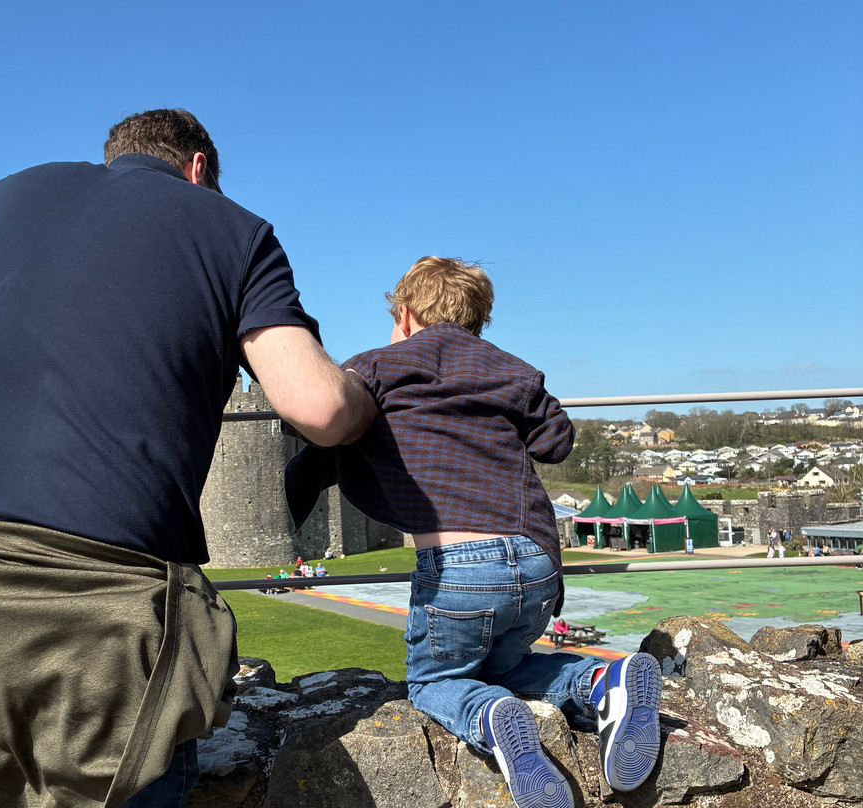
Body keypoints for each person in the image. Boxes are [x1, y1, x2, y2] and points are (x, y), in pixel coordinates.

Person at [0, 108, 377, 808]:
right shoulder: (233, 227)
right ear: (198, 167)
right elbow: (319, 408)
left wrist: (22, 401)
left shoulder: (9, 193)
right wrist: (365, 398)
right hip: (105, 602)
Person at [284, 257, 663, 808]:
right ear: (478, 321)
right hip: (535, 559)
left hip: (459, 568)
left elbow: (332, 425)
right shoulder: (510, 368)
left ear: (406, 315)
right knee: (506, 668)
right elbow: (554, 442)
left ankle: (489, 719)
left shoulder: (377, 366)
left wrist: (295, 492)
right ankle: (605, 682)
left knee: (435, 685)